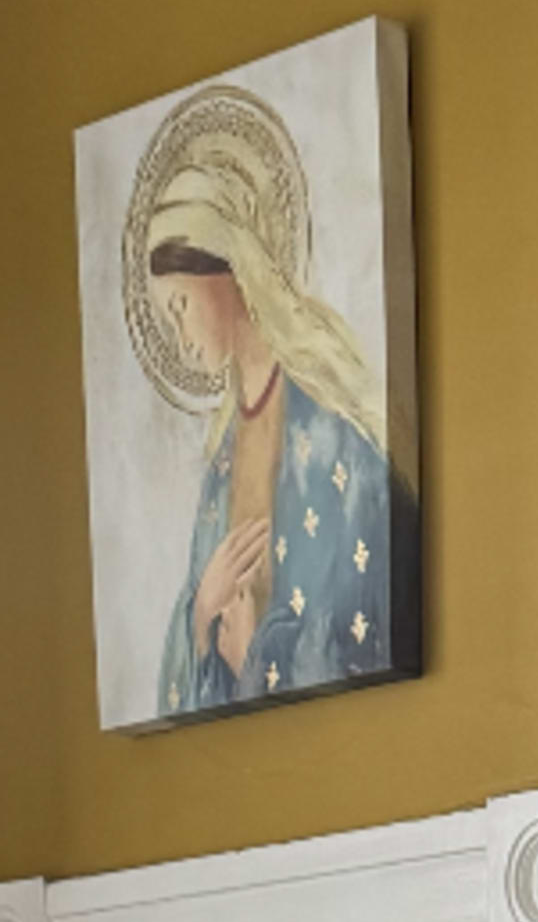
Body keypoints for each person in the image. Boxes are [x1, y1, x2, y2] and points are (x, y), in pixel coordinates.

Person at [136, 99, 404, 713]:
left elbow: (366, 627)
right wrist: (201, 613)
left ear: (227, 270)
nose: (178, 338)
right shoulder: (221, 468)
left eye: (179, 308)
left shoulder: (334, 435)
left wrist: (260, 655)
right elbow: (182, 681)